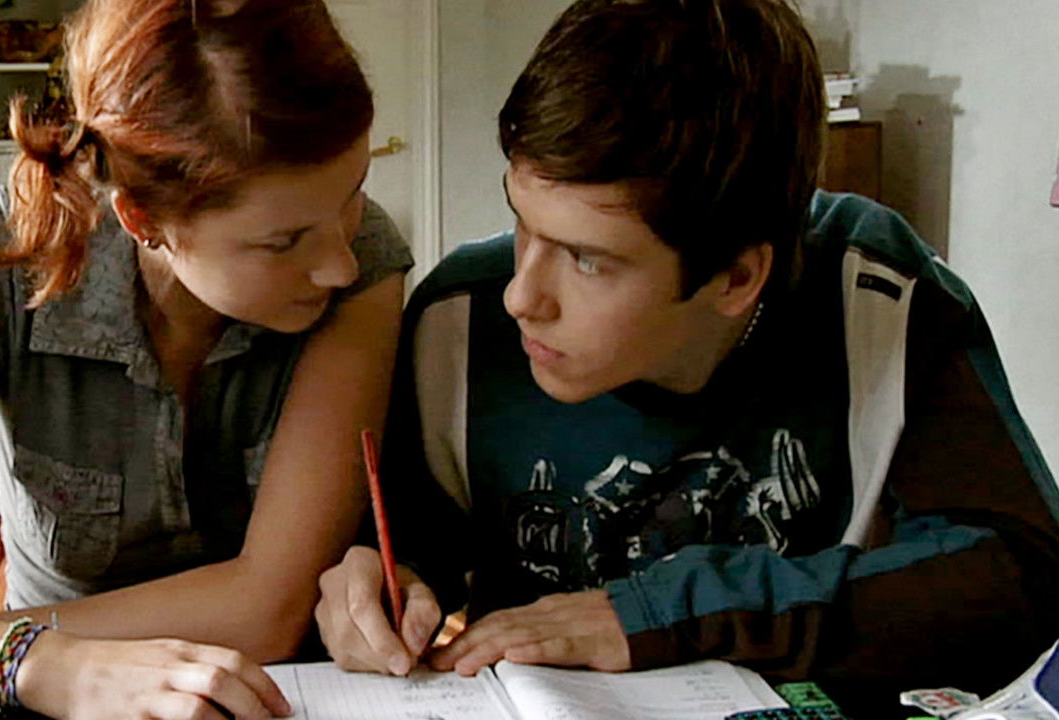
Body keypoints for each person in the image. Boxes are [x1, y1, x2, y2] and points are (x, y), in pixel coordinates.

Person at [315, 0, 1059, 696]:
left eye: (587, 260)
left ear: (735, 277)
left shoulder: (878, 296)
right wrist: (377, 587)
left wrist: (667, 611)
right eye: (522, 222)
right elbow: (410, 554)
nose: (522, 296)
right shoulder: (459, 317)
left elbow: (1021, 576)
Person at [0, 0, 411, 717]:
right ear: (142, 219)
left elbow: (269, 611)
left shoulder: (362, 263)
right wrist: (41, 664)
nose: (338, 263)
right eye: (283, 241)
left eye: (353, 195)